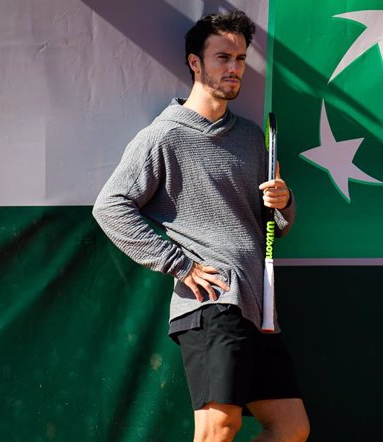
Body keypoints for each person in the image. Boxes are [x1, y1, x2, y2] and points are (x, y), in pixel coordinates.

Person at [92, 10, 310, 442]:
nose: (234, 68)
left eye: (241, 59)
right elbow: (109, 207)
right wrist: (181, 265)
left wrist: (284, 204)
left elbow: (275, 225)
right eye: (223, 57)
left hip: (259, 308)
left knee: (291, 428)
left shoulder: (252, 137)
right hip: (211, 303)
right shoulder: (162, 137)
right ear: (195, 63)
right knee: (218, 427)